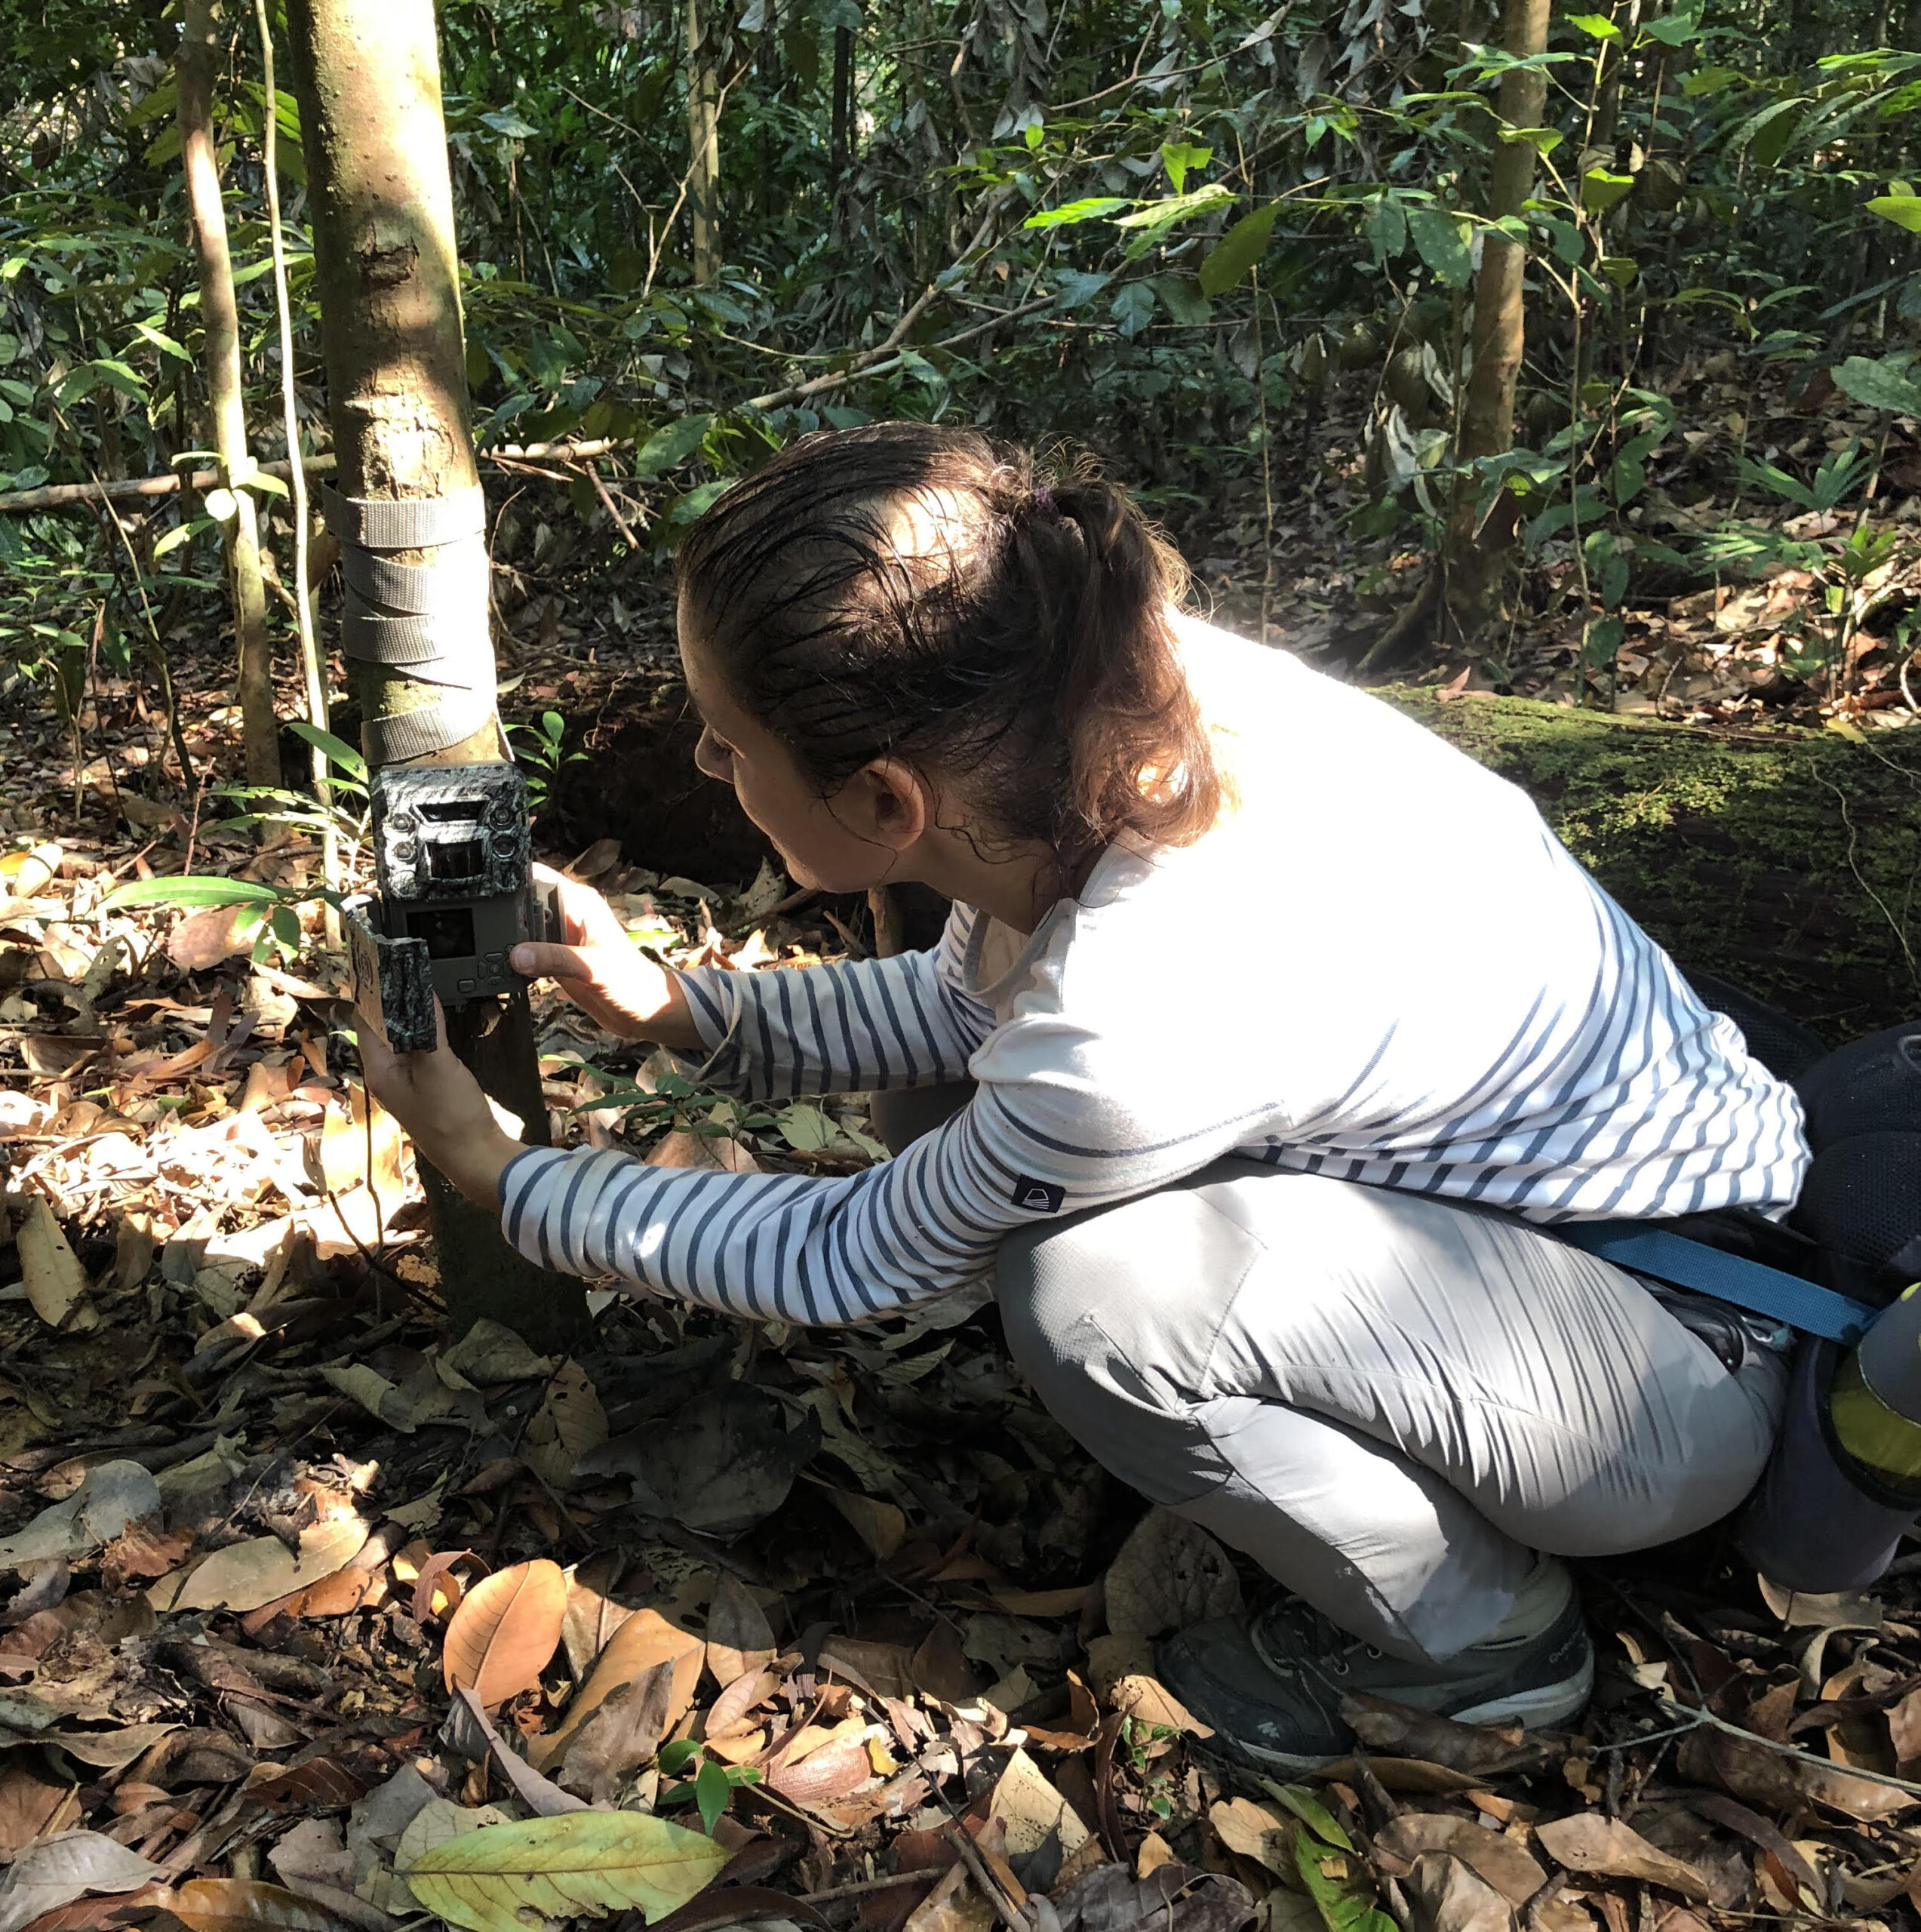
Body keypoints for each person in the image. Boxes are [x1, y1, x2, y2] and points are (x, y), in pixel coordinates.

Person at [361, 421, 1808, 1769]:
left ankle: (1483, 1645)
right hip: (1553, 1267)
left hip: (1677, 1352)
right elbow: (959, 1011)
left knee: (1097, 1299)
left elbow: (845, 1254)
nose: (700, 762)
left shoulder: (1140, 996)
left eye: (730, 741)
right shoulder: (1101, 687)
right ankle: (1275, 1463)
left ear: (883, 804)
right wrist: (682, 1008)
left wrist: (495, 1169)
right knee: (963, 1128)